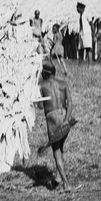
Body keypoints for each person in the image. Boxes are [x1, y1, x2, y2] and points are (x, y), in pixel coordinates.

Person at [38, 62, 73, 192]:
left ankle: (66, 183)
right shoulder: (63, 84)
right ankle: (58, 177)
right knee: (60, 146)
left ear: (45, 73)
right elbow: (70, 103)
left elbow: (41, 106)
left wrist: (39, 98)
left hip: (52, 118)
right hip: (64, 116)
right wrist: (67, 120)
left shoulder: (41, 85)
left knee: (56, 152)